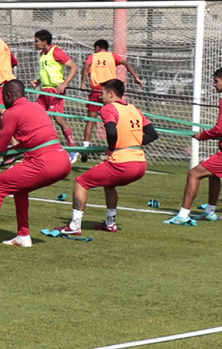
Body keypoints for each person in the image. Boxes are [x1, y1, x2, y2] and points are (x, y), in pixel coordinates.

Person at [0, 80, 72, 250]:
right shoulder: (37, 107)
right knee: (20, 189)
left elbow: (0, 144)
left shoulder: (11, 113)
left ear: (7, 95)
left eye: (2, 97)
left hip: (44, 162)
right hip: (63, 161)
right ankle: (23, 236)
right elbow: (28, 143)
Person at [59, 79, 159, 234]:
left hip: (123, 163)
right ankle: (110, 223)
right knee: (109, 184)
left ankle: (74, 225)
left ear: (111, 94)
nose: (100, 96)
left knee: (81, 182)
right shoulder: (134, 109)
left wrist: (112, 148)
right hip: (140, 164)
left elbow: (112, 132)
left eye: (103, 93)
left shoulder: (108, 108)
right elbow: (153, 134)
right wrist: (130, 142)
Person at [166, 67, 222, 225]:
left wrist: (201, 136)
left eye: (216, 81)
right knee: (214, 174)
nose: (214, 84)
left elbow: (221, 129)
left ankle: (183, 215)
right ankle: (209, 212)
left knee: (194, 174)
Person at [79, 39, 143, 154]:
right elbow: (126, 63)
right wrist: (136, 77)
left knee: (90, 121)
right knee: (113, 122)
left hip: (96, 91)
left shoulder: (92, 56)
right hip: (110, 94)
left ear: (97, 48)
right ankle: (115, 147)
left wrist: (83, 82)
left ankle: (85, 147)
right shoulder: (112, 56)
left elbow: (85, 66)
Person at [30, 30, 81, 163]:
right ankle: (43, 149)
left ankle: (73, 149)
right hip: (44, 91)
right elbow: (48, 72)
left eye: (36, 41)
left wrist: (64, 83)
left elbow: (74, 67)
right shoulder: (42, 54)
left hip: (55, 91)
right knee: (39, 120)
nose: (34, 43)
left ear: (44, 42)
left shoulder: (56, 51)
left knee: (58, 119)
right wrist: (38, 81)